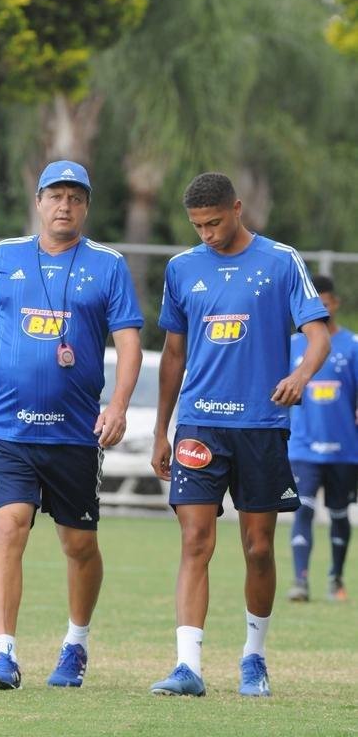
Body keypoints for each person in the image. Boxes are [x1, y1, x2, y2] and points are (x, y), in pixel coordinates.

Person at [0, 160, 143, 691]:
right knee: (9, 526)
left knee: (79, 545)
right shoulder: (4, 258)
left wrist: (119, 404)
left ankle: (76, 643)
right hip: (7, 428)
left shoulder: (109, 265)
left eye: (75, 198)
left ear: (86, 207)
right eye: (56, 195)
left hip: (75, 434)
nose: (65, 206)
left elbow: (127, 344)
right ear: (38, 201)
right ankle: (3, 654)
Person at [150, 172, 330, 698]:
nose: (206, 233)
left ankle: (254, 656)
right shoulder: (181, 269)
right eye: (197, 226)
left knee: (257, 548)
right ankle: (188, 667)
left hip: (261, 425)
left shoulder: (281, 261)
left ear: (237, 207)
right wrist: (162, 430)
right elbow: (174, 355)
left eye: (214, 222)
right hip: (201, 425)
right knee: (195, 541)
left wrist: (299, 376)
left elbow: (317, 336)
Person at [287, 275, 358, 603]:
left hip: (344, 450)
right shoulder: (293, 345)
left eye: (326, 304)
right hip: (302, 447)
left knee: (340, 514)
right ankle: (300, 581)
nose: (321, 310)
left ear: (335, 304)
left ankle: (335, 577)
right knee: (302, 509)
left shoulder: (352, 347)